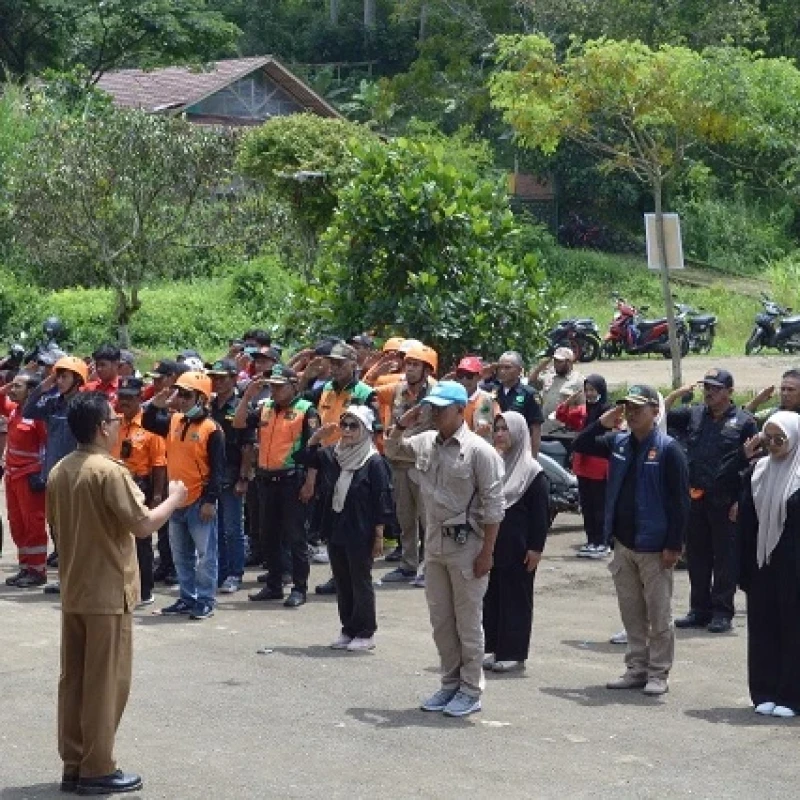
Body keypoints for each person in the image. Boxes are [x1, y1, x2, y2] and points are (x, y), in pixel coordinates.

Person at [47, 391, 187, 795]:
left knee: (74, 679)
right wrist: (174, 499)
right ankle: (98, 766)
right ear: (100, 428)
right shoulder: (108, 472)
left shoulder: (61, 470)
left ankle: (75, 762)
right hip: (107, 591)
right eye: (112, 420)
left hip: (75, 588)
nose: (116, 425)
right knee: (105, 683)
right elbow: (143, 524)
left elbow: (55, 528)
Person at [386, 381, 505, 718]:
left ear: (459, 410)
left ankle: (470, 688)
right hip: (435, 546)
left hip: (468, 546)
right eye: (431, 408)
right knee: (441, 621)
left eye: (440, 408)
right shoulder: (426, 441)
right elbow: (392, 451)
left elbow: (494, 508)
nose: (434, 413)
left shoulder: (479, 451)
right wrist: (401, 424)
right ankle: (450, 682)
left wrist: (487, 554)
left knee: (468, 621)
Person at [573, 384, 689, 696]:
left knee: (659, 613)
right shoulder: (619, 442)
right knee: (632, 612)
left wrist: (674, 546)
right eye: (628, 407)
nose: (632, 413)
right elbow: (581, 443)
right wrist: (602, 421)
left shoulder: (668, 449)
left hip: (654, 547)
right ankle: (636, 668)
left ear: (655, 411)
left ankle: (658, 673)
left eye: (639, 407)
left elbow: (680, 503)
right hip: (623, 543)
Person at [666, 369, 757, 633]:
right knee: (697, 556)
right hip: (695, 497)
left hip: (727, 500)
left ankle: (722, 611)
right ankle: (699, 609)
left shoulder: (744, 422)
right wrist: (676, 394)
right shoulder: (694, 414)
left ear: (730, 392)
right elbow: (660, 416)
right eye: (707, 387)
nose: (710, 393)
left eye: (716, 388)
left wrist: (742, 501)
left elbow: (753, 465)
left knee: (725, 558)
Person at [301, 405, 394, 650]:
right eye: (344, 425)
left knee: (359, 579)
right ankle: (348, 628)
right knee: (342, 580)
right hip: (337, 526)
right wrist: (315, 438)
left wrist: (378, 535)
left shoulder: (374, 462)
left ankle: (366, 631)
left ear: (365, 429)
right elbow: (308, 459)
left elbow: (382, 500)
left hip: (361, 529)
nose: (348, 431)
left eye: (354, 426)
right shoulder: (335, 454)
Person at [234, 365, 319, 608]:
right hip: (265, 479)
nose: (276, 390)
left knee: (295, 536)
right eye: (273, 386)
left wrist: (310, 482)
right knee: (267, 534)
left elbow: (313, 451)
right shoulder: (265, 408)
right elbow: (239, 423)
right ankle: (273, 585)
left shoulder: (306, 410)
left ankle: (299, 588)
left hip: (293, 480)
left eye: (281, 386)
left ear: (294, 385)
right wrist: (248, 396)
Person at [143, 371, 225, 621]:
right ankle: (187, 598)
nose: (181, 399)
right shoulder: (175, 420)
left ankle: (206, 600)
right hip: (176, 501)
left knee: (206, 556)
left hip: (199, 501)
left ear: (201, 398)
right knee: (181, 556)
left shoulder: (212, 430)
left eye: (187, 395)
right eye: (180, 394)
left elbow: (218, 470)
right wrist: (155, 405)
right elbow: (148, 423)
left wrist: (210, 500)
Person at [737, 411, 800, 718]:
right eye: (769, 438)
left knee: (793, 630)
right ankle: (764, 690)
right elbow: (745, 521)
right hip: (762, 563)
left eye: (780, 439)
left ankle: (791, 695)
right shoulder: (758, 470)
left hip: (795, 567)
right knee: (763, 628)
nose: (774, 445)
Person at [483, 411, 549, 673]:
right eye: (497, 429)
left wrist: (536, 548)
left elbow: (540, 515)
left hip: (520, 548)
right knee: (494, 597)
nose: (499, 434)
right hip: (495, 544)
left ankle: (514, 652)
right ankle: (496, 647)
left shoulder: (532, 472)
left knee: (516, 599)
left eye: (505, 429)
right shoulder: (496, 464)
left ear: (519, 433)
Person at [24, 355, 87, 592]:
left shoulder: (84, 406)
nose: (59, 380)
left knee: (76, 531)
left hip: (77, 476)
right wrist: (43, 385)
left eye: (64, 376)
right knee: (58, 529)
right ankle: (65, 578)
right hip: (53, 475)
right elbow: (29, 411)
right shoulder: (53, 403)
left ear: (77, 379)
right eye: (58, 376)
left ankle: (78, 580)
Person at [377, 345, 438, 584]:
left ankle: (429, 567)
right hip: (401, 462)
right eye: (408, 364)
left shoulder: (435, 392)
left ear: (426, 369)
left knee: (428, 519)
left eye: (416, 365)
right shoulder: (399, 390)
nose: (410, 369)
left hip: (424, 462)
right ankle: (408, 564)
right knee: (405, 518)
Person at [111, 377, 167, 608]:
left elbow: (159, 464)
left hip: (140, 486)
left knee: (142, 540)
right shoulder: (114, 424)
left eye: (129, 398)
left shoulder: (150, 426)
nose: (123, 401)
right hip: (115, 484)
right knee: (116, 538)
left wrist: (156, 496)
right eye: (121, 397)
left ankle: (145, 589)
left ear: (140, 399)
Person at [208, 358, 255, 594]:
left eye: (222, 378)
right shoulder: (209, 406)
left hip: (233, 471)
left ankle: (235, 573)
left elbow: (248, 446)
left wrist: (243, 478)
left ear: (234, 378)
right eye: (214, 378)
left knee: (233, 528)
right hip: (212, 474)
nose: (217, 382)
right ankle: (221, 571)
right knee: (215, 527)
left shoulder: (240, 406)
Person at [0, 371, 49, 587]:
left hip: (29, 476)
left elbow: (47, 446)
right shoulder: (14, 411)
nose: (12, 389)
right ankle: (25, 567)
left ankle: (37, 571)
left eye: (17, 386)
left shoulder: (37, 417)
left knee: (33, 525)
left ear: (31, 391)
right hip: (12, 476)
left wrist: (42, 474)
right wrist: (9, 384)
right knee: (17, 524)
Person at [556, 375, 611, 558]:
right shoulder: (582, 410)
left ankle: (602, 542)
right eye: (587, 390)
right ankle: (591, 541)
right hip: (583, 464)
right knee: (586, 506)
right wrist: (570, 400)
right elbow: (561, 416)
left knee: (599, 506)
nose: (589, 393)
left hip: (599, 465)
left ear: (601, 390)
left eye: (593, 390)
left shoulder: (607, 411)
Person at [493, 351, 544, 456]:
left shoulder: (529, 394)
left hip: (520, 451)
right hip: (496, 450)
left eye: (507, 367)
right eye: (500, 367)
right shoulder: (494, 393)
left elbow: (536, 429)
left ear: (519, 370)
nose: (502, 371)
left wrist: (533, 457)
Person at [529, 347, 585, 430]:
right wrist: (539, 368)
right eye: (555, 361)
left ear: (569, 362)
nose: (556, 364)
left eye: (560, 361)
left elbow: (583, 407)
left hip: (564, 430)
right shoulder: (549, 376)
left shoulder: (578, 380)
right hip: (545, 427)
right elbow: (531, 383)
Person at [454, 356, 498, 442]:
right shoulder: (453, 397)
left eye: (469, 376)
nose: (464, 380)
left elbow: (483, 433)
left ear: (478, 377)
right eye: (460, 375)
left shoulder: (484, 399)